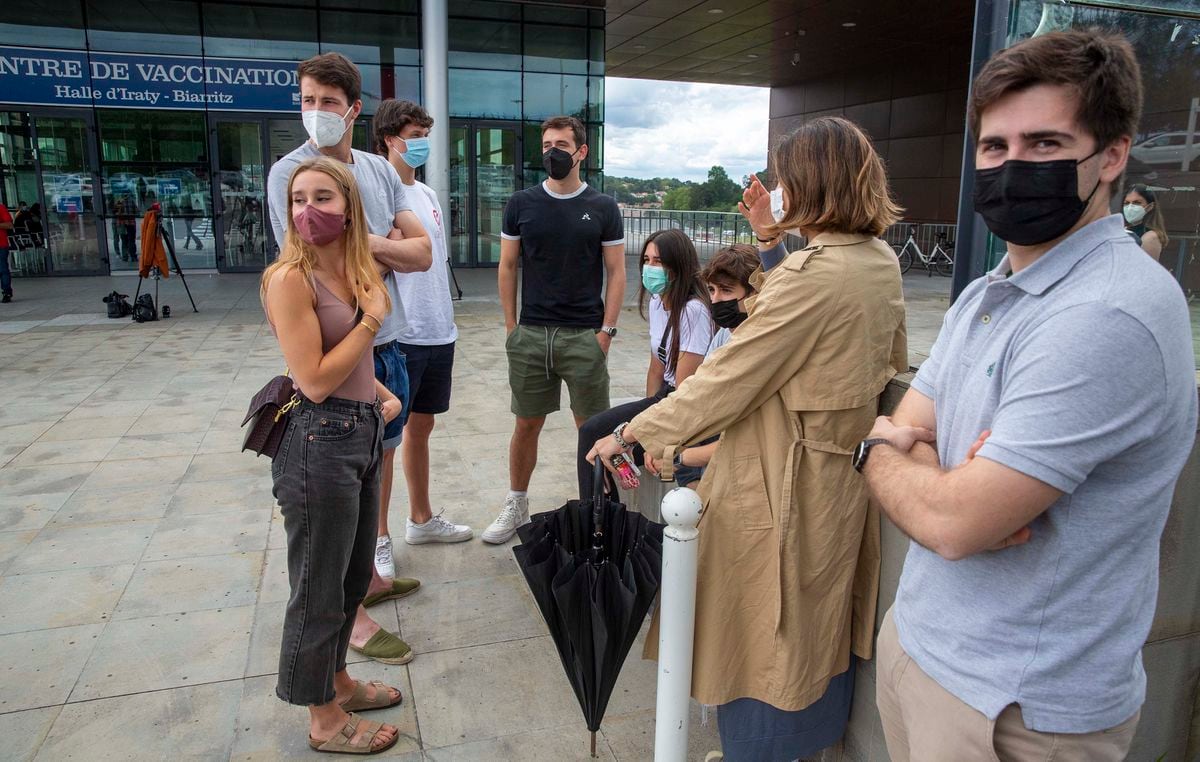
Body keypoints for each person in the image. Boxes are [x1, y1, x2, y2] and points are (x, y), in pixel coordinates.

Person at [859, 30, 1197, 761]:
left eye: (1045, 145)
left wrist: (879, 454)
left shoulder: (1108, 311)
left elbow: (955, 523)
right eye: (994, 147)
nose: (1012, 167)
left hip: (1015, 707)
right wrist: (926, 463)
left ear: (1110, 156)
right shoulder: (988, 290)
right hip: (921, 643)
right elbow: (914, 426)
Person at [589, 116, 907, 762]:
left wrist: (631, 431)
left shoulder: (815, 277)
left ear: (813, 184)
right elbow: (804, 326)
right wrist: (771, 241)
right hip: (835, 487)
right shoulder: (879, 262)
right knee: (811, 639)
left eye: (789, 179)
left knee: (762, 638)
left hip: (778, 488)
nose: (781, 190)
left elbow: (730, 376)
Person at [267, 51, 432, 667]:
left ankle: (368, 578)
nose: (317, 113)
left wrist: (361, 243)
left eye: (329, 103)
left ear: (354, 110)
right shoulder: (289, 173)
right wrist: (369, 290)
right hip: (341, 348)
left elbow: (421, 253)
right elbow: (310, 253)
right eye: (308, 100)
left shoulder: (375, 169)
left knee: (376, 469)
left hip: (386, 351)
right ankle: (350, 621)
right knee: (332, 506)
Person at [261, 156, 404, 754]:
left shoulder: (355, 266)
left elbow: (345, 360)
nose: (308, 211)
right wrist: (372, 320)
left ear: (349, 207)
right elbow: (314, 380)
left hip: (361, 432)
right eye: (299, 199)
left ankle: (338, 682)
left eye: (323, 197)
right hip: (319, 440)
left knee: (351, 580)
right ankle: (322, 718)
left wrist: (379, 392)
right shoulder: (289, 279)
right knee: (317, 588)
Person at [487, 115, 625, 543]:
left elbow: (616, 273)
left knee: (593, 430)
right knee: (526, 424)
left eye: (562, 145)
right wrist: (512, 327)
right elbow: (508, 265)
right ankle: (516, 502)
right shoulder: (521, 203)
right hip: (531, 336)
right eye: (547, 145)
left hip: (584, 337)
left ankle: (599, 510)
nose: (553, 153)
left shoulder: (603, 207)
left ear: (582, 152)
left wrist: (606, 333)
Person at [372, 98, 472, 569]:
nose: (422, 144)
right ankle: (378, 538)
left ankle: (420, 517)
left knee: (421, 429)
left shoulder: (427, 195)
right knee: (387, 440)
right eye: (415, 136)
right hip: (402, 333)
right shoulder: (379, 195)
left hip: (438, 331)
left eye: (426, 135)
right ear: (391, 140)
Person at [575, 228, 710, 498]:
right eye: (646, 260)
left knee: (598, 435)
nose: (650, 268)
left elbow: (685, 390)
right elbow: (655, 368)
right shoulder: (658, 303)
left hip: (688, 402)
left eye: (658, 262)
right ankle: (596, 519)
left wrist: (653, 433)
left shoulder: (694, 311)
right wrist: (646, 417)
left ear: (678, 266)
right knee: (594, 433)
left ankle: (601, 522)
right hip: (664, 397)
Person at [644, 243, 763, 490]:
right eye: (711, 290)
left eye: (727, 290)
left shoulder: (758, 343)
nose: (716, 300)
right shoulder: (724, 335)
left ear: (755, 294)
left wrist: (674, 454)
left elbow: (745, 437)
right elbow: (699, 394)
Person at [1123, 184, 1169, 261]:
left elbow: (1143, 269)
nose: (1130, 207)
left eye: (1137, 203)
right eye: (1127, 203)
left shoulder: (1150, 236)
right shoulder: (1124, 229)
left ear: (1150, 206)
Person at [0, 200, 12, 302]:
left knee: (3, 269)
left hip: (1, 245)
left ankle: (6, 292)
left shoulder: (1, 208)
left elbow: (9, 225)